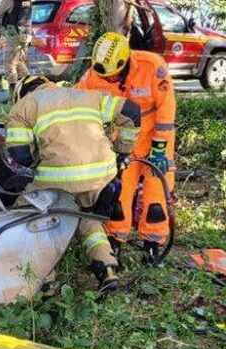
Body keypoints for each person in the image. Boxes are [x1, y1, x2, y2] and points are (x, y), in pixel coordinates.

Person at [5, 75, 142, 291]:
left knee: (28, 219)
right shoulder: (86, 95)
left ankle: (45, 282)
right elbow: (131, 111)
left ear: (21, 92)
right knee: (86, 218)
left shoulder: (23, 107)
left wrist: (38, 161)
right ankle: (107, 268)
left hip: (56, 181)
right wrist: (123, 153)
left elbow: (20, 154)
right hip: (101, 176)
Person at [76, 32, 176, 263]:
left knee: (156, 195)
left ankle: (153, 243)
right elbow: (75, 96)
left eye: (113, 77)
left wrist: (159, 145)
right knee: (120, 191)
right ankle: (115, 239)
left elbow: (166, 108)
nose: (109, 81)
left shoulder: (152, 67)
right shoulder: (95, 74)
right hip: (124, 141)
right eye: (106, 77)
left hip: (156, 136)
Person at [0, 0, 32, 100]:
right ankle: (29, 90)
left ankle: (13, 96)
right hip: (25, 32)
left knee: (10, 63)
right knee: (19, 62)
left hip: (14, 32)